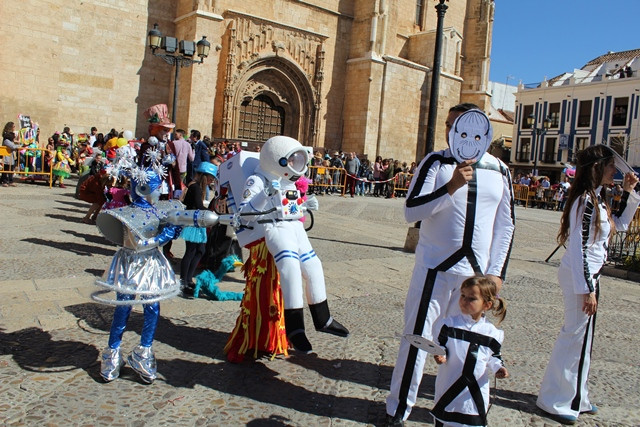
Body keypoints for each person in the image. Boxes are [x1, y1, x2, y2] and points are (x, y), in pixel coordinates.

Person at [385, 104, 515, 426]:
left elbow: (506, 225)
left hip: (474, 278)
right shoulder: (436, 161)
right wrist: (450, 187)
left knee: (463, 348)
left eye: (459, 125)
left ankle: (453, 410)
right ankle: (398, 409)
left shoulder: (500, 170)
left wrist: (497, 272)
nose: (452, 132)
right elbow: (411, 210)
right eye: (449, 125)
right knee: (417, 338)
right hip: (434, 270)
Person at [536, 145, 640, 425]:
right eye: (609, 166)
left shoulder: (598, 198)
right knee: (574, 336)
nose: (614, 171)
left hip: (588, 275)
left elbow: (618, 226)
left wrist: (629, 195)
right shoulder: (585, 200)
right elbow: (579, 248)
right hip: (580, 276)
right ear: (597, 168)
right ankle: (554, 399)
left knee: (583, 340)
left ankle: (575, 396)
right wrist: (588, 288)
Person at [93, 161, 185, 384]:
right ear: (143, 189)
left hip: (149, 265)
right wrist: (161, 236)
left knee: (151, 306)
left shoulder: (160, 210)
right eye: (156, 188)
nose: (160, 192)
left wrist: (171, 230)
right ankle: (113, 354)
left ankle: (143, 351)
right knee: (123, 307)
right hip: (130, 264)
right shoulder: (124, 213)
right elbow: (140, 240)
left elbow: (170, 227)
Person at [432, 276, 509, 427]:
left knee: (471, 421)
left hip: (474, 392)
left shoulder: (491, 333)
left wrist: (499, 368)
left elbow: (493, 356)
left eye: (471, 298)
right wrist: (441, 354)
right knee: (445, 418)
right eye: (463, 296)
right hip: (449, 382)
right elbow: (439, 345)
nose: (464, 301)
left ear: (486, 305)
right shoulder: (448, 325)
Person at [180, 161, 218, 296]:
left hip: (197, 222)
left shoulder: (195, 186)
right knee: (191, 251)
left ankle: (188, 279)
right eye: (210, 177)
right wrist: (212, 213)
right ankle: (184, 281)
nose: (212, 180)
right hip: (193, 222)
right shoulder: (195, 187)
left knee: (199, 251)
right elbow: (198, 205)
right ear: (204, 176)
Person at [1, 123, 19, 187]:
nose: (14, 127)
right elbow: (12, 146)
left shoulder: (10, 139)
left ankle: (11, 181)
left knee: (11, 169)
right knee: (5, 169)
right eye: (13, 126)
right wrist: (18, 146)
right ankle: (4, 181)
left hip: (11, 156)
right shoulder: (6, 139)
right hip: (6, 156)